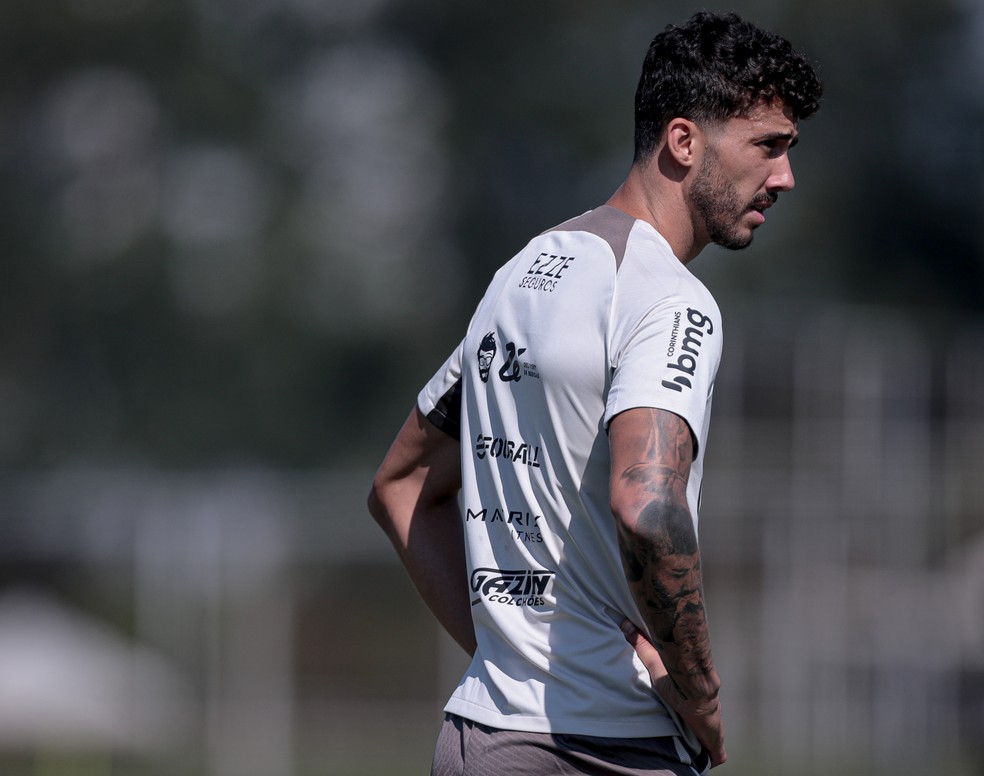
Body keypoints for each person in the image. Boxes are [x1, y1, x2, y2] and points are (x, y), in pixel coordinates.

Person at [368, 11, 822, 775]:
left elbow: (401, 485)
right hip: (600, 750)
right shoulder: (670, 300)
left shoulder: (521, 275)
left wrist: (517, 664)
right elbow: (648, 506)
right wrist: (699, 691)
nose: (784, 177)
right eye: (768, 147)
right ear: (683, 141)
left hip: (478, 739)